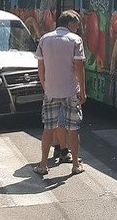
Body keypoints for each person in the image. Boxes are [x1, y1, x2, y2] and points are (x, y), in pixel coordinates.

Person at [33, 10, 86, 175]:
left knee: (48, 127)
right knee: (73, 128)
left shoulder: (44, 39)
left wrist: (44, 84)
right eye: (77, 25)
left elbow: (40, 66)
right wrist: (82, 90)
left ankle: (43, 165)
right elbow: (79, 67)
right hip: (71, 91)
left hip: (51, 91)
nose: (77, 29)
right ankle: (76, 164)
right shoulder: (75, 40)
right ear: (70, 24)